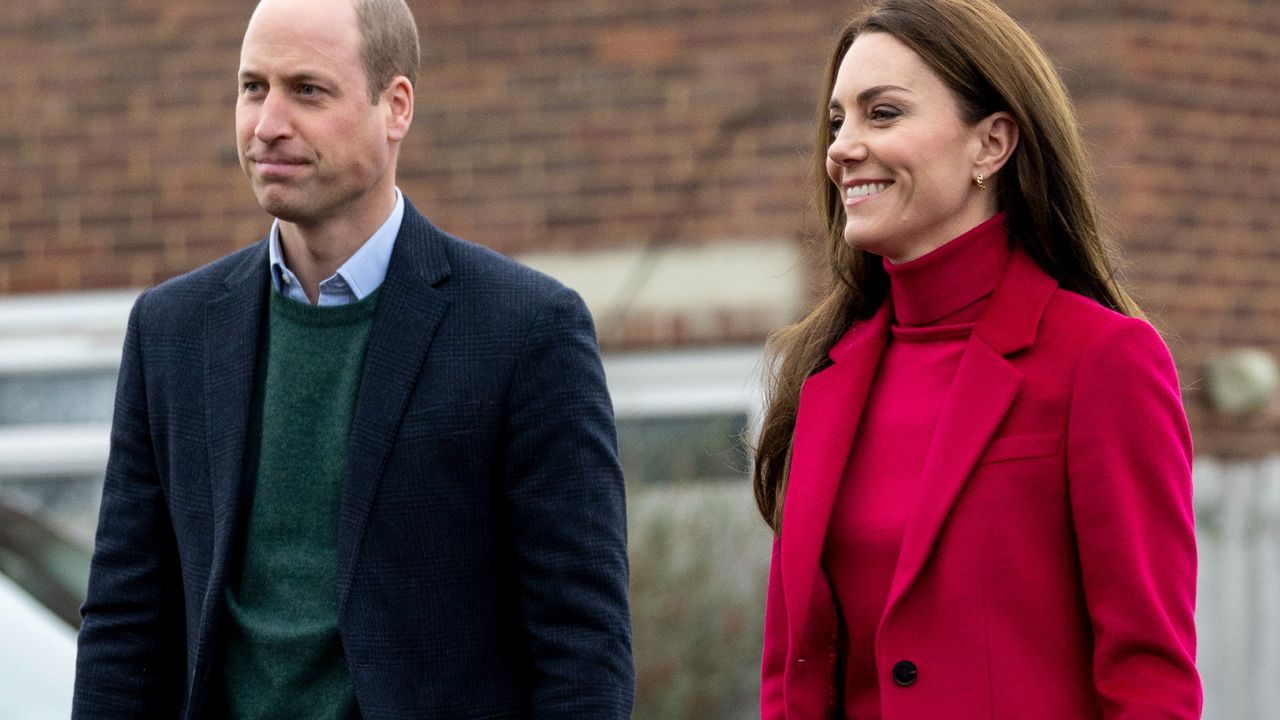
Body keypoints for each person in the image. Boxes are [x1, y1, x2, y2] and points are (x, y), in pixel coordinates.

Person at [72, 0, 634, 717]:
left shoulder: (527, 333)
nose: (267, 124)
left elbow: (582, 643)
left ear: (395, 106)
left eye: (307, 89)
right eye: (252, 87)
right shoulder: (172, 332)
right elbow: (125, 625)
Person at [754, 1, 1200, 717]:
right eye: (838, 120)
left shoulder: (1102, 360)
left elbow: (1150, 676)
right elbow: (790, 678)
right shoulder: (820, 376)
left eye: (883, 113)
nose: (841, 147)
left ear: (991, 145)